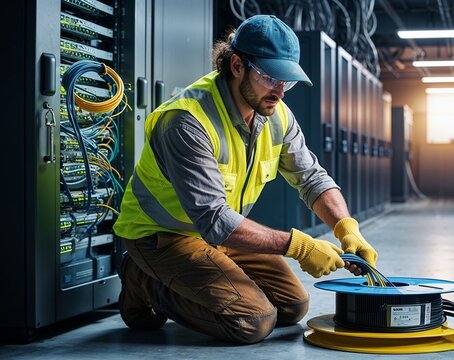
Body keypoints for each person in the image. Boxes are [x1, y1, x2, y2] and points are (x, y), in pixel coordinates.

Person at [112, 14, 378, 344]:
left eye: (287, 82)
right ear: (237, 66)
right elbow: (214, 218)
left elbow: (312, 178)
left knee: (291, 306)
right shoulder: (187, 121)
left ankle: (186, 275)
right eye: (270, 78)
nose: (280, 92)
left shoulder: (276, 114)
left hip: (220, 235)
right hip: (162, 236)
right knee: (251, 321)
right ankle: (144, 279)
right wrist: (298, 246)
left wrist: (347, 228)